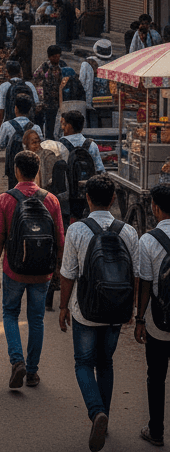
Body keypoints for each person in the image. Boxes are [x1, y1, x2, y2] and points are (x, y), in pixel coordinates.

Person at [59, 174, 140, 452]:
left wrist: (62, 307)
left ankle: (97, 413)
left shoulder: (78, 230)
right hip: (117, 309)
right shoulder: (128, 232)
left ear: (88, 199)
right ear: (114, 199)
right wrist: (133, 309)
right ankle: (104, 417)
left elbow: (68, 274)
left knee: (83, 363)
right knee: (106, 362)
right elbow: (136, 275)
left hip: (85, 310)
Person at [0, 149, 64, 390]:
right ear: (38, 171)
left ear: (16, 171)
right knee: (36, 320)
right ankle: (32, 372)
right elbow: (60, 240)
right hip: (43, 271)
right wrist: (57, 270)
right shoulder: (51, 200)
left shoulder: (6, 199)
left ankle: (17, 360)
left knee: (10, 314)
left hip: (14, 269)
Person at [134, 182, 170, 447]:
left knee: (156, 376)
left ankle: (156, 430)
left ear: (155, 208)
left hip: (160, 322)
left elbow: (144, 283)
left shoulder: (148, 240)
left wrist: (140, 319)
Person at [0, 94, 44, 190]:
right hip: (32, 166)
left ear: (16, 108)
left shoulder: (6, 126)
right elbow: (41, 146)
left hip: (14, 165)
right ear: (30, 109)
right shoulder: (36, 128)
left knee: (13, 190)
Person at [33, 44, 67, 140]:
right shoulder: (44, 67)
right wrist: (41, 92)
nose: (56, 59)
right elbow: (36, 77)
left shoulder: (63, 66)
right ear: (49, 57)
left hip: (61, 100)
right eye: (54, 57)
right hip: (48, 101)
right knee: (49, 122)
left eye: (58, 56)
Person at [0, 60, 38, 129]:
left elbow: (0, 109)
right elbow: (37, 106)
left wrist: (0, 128)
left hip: (11, 125)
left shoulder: (4, 86)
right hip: (29, 125)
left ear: (7, 72)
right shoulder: (29, 85)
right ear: (20, 71)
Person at [80, 39, 114, 128]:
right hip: (108, 99)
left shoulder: (87, 63)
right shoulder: (113, 62)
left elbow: (82, 81)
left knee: (93, 123)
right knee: (107, 123)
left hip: (92, 99)